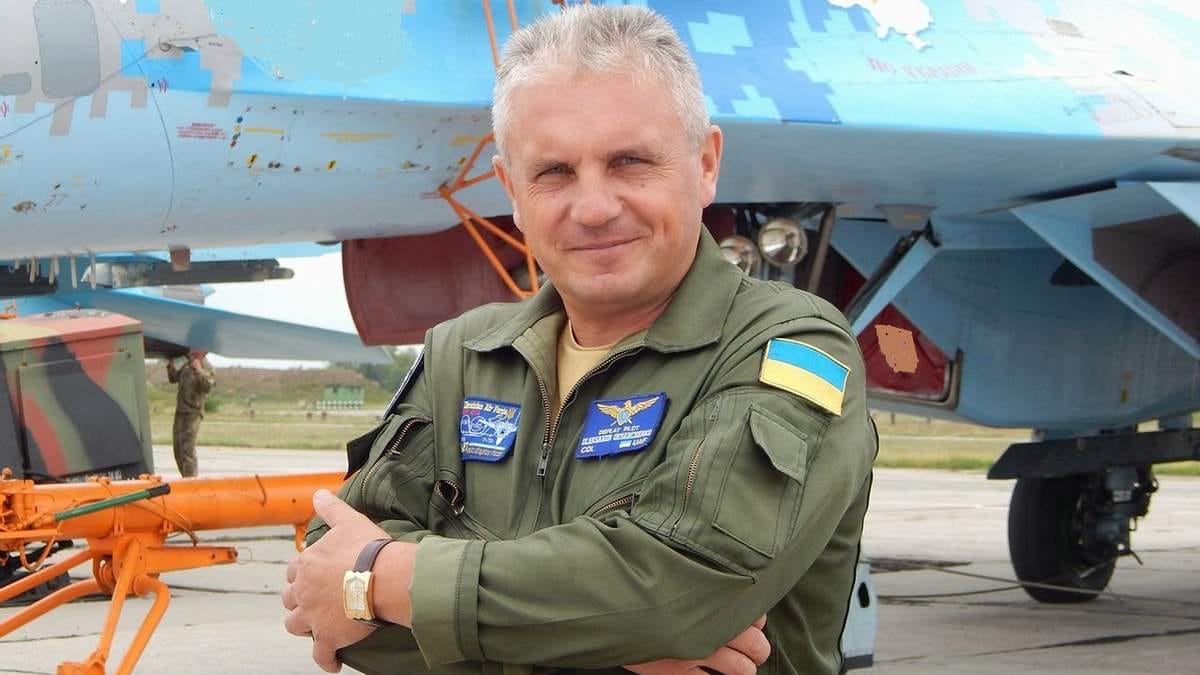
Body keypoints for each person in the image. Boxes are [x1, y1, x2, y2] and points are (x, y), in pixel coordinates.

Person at [283, 5, 876, 674]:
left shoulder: (787, 348)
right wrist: (612, 640)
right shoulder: (463, 356)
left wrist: (385, 584)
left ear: (706, 163)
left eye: (630, 162)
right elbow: (324, 580)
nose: (593, 208)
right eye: (554, 172)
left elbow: (678, 590)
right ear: (512, 190)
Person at [166, 349, 215, 477]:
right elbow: (173, 378)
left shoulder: (206, 367)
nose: (191, 351)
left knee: (187, 449)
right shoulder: (187, 366)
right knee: (178, 448)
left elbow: (208, 386)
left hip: (193, 414)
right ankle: (185, 477)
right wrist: (170, 365)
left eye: (195, 349)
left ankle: (191, 479)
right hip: (181, 412)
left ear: (203, 352)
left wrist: (198, 370)